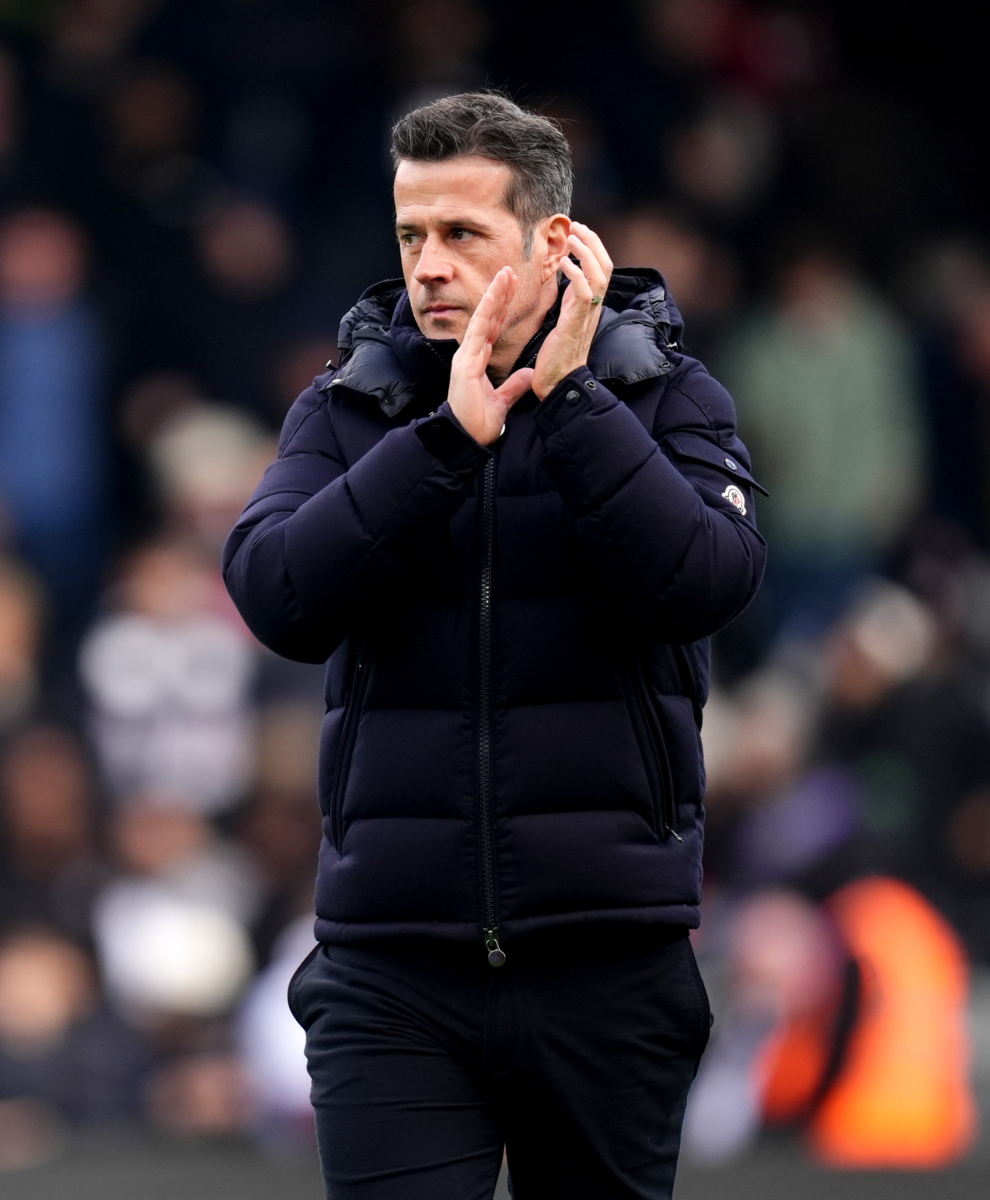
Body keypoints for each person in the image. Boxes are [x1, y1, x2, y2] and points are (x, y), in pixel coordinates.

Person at [222, 91, 766, 1200]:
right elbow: (276, 596)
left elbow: (708, 581)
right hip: (392, 962)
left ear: (553, 240)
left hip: (608, 957)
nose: (428, 266)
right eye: (411, 235)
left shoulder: (665, 396)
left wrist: (567, 404)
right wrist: (441, 444)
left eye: (462, 233)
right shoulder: (348, 410)